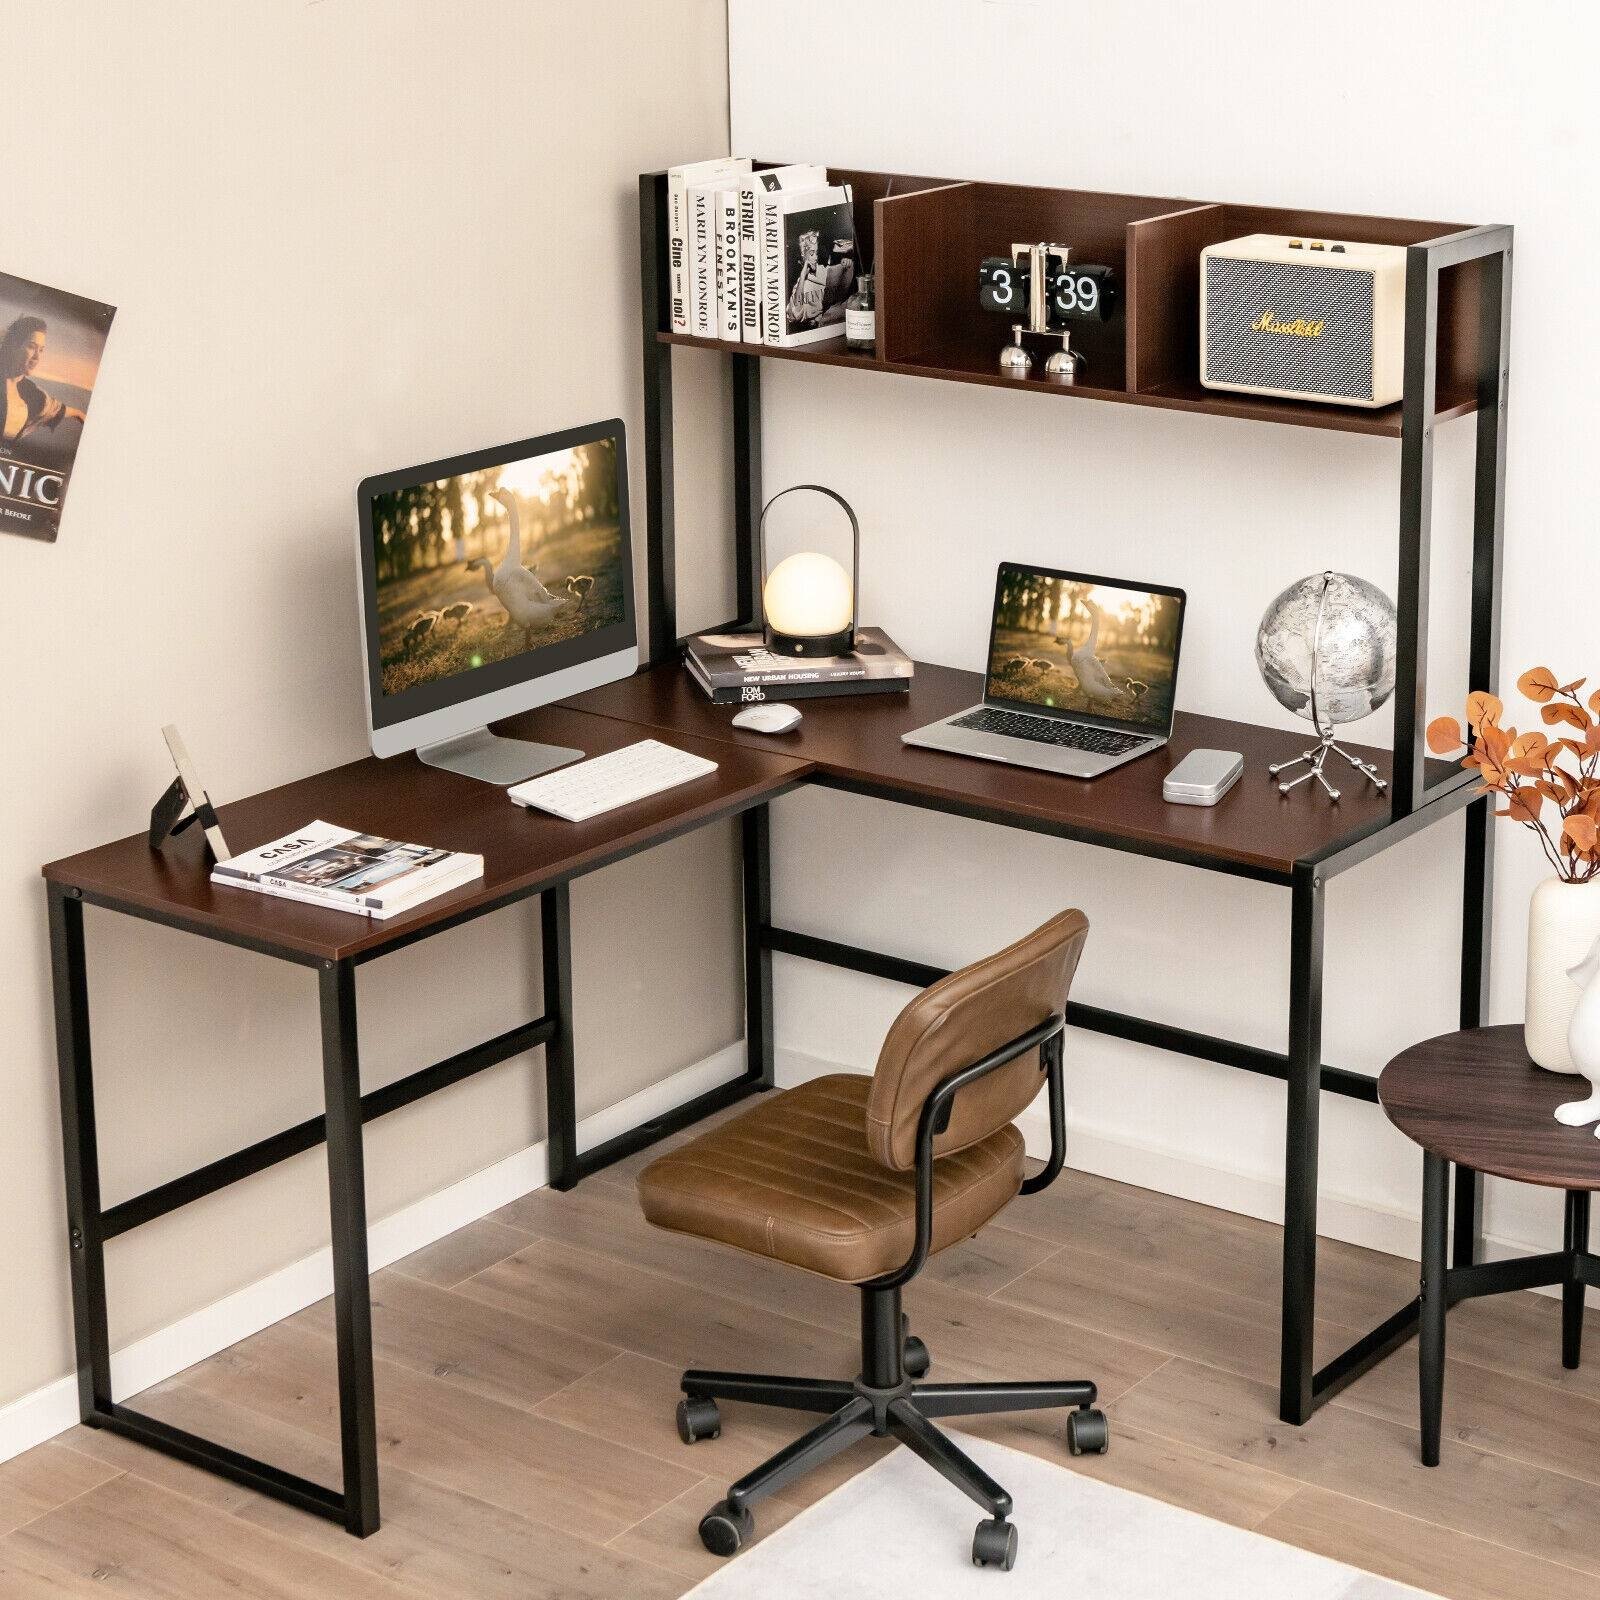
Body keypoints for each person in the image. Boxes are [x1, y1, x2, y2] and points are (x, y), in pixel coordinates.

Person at [1, 316, 85, 447]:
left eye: (41, 350)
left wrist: (80, 414)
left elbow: (56, 408)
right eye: (31, 347)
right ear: (14, 346)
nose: (37, 357)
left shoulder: (34, 395)